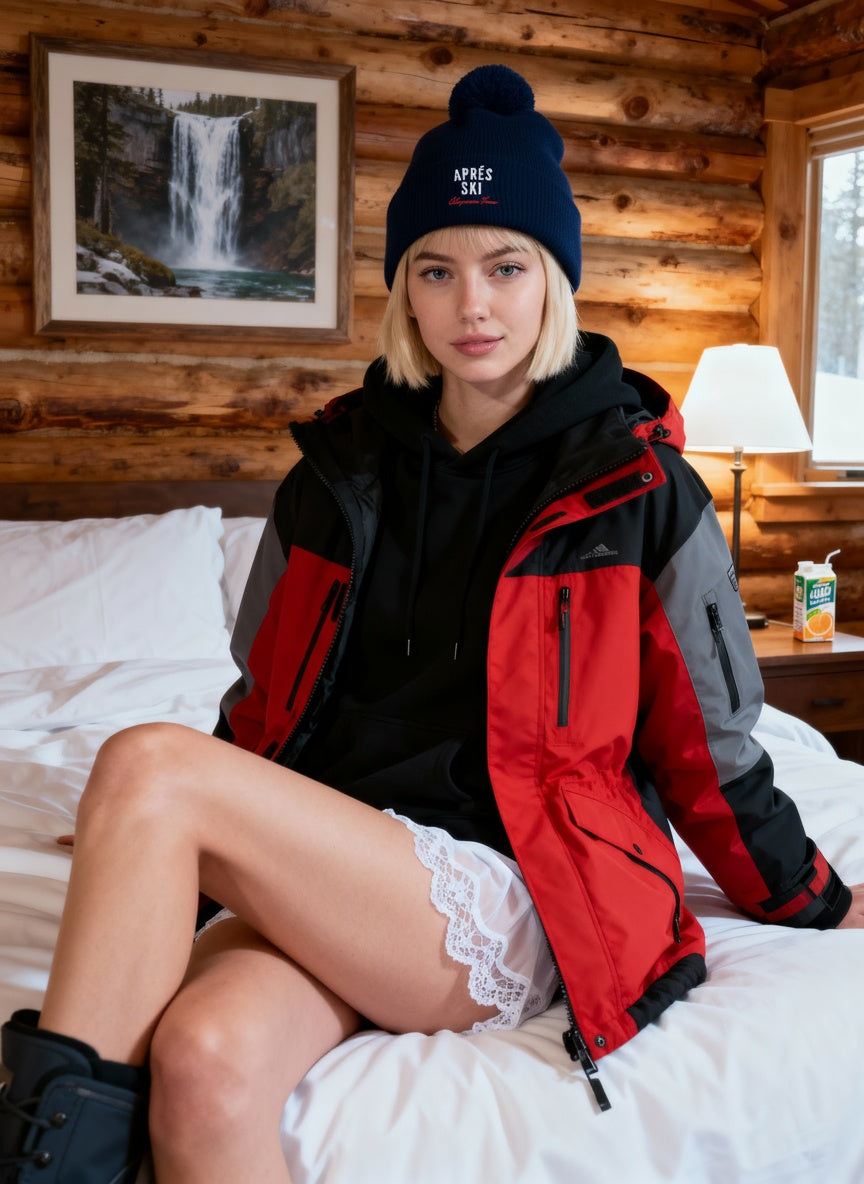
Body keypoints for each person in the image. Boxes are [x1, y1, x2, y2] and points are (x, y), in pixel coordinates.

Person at [1, 63, 862, 1184]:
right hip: (342, 865)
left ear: (552, 279)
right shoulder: (338, 470)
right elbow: (264, 715)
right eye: (439, 269)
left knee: (147, 763)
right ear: (405, 287)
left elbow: (712, 746)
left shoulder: (636, 486)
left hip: (510, 876)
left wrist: (815, 899)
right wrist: (154, 847)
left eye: (507, 267)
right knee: (205, 1061)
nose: (474, 305)